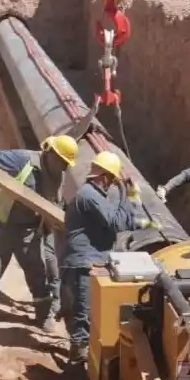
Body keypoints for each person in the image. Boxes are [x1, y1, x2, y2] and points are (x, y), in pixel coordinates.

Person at [60, 150, 160, 363]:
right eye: (112, 181)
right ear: (104, 177)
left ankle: (85, 356)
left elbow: (121, 220)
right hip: (83, 263)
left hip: (92, 260)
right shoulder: (89, 195)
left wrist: (139, 213)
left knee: (92, 312)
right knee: (84, 314)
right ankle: (78, 361)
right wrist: (128, 195)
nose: (112, 185)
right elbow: (118, 223)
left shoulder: (96, 196)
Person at [0, 135, 78, 330]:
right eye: (63, 162)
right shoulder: (23, 160)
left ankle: (43, 316)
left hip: (29, 230)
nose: (65, 167)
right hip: (3, 227)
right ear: (51, 154)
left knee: (37, 274)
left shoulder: (58, 176)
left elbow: (54, 203)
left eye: (67, 164)